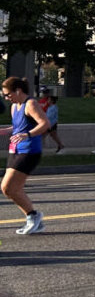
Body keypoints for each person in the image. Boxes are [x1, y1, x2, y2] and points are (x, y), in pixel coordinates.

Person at [0, 77, 50, 234]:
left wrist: (27, 135)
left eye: (8, 95)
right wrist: (4, 131)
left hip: (29, 151)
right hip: (15, 150)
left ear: (18, 91)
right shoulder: (15, 106)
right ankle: (34, 218)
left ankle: (33, 216)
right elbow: (17, 127)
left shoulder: (31, 104)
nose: (7, 98)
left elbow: (45, 124)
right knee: (8, 189)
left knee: (8, 187)